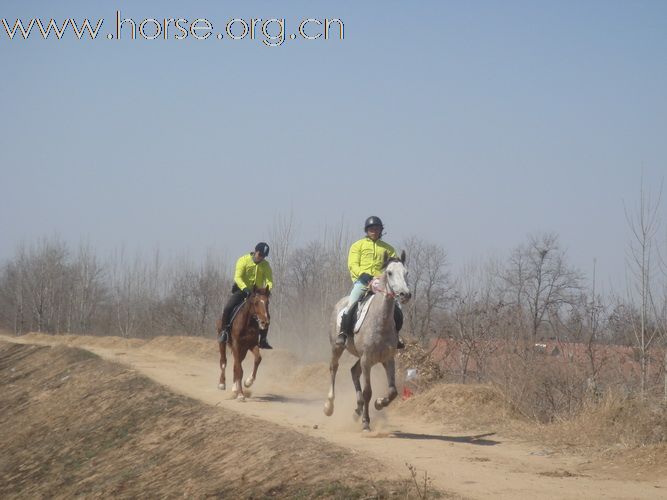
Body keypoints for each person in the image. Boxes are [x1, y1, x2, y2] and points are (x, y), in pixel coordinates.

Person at [336, 216, 405, 349]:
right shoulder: (357, 246)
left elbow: (393, 267)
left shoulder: (389, 249)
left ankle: (396, 335)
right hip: (363, 281)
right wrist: (365, 276)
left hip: (381, 283)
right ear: (367, 230)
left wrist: (381, 278)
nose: (374, 231)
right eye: (371, 229)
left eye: (377, 228)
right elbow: (353, 264)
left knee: (397, 307)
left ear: (381, 230)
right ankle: (343, 333)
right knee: (351, 303)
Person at [218, 242, 273, 349]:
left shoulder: (266, 265)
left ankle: (263, 339)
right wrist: (245, 289)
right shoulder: (243, 260)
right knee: (227, 308)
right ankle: (224, 333)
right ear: (255, 251)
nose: (261, 258)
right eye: (260, 255)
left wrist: (266, 291)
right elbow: (237, 278)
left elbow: (269, 280)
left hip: (257, 294)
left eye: (263, 256)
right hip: (242, 290)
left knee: (266, 314)